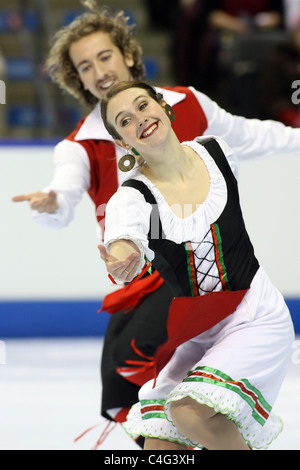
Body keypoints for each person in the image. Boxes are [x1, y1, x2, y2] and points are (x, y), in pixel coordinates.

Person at [12, 0, 300, 434]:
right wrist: (53, 203)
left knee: (173, 398)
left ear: (128, 54)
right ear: (78, 79)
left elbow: (250, 135)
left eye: (105, 56)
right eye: (85, 66)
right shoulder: (80, 146)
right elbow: (66, 192)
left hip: (203, 286)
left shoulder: (188, 105)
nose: (100, 70)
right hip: (145, 284)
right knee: (134, 403)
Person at [99, 80, 295, 450]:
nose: (139, 119)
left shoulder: (217, 152)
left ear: (164, 106)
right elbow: (125, 239)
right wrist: (124, 258)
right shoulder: (132, 198)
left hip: (255, 315)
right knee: (159, 445)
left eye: (143, 106)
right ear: (123, 142)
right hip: (198, 332)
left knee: (188, 412)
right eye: (125, 121)